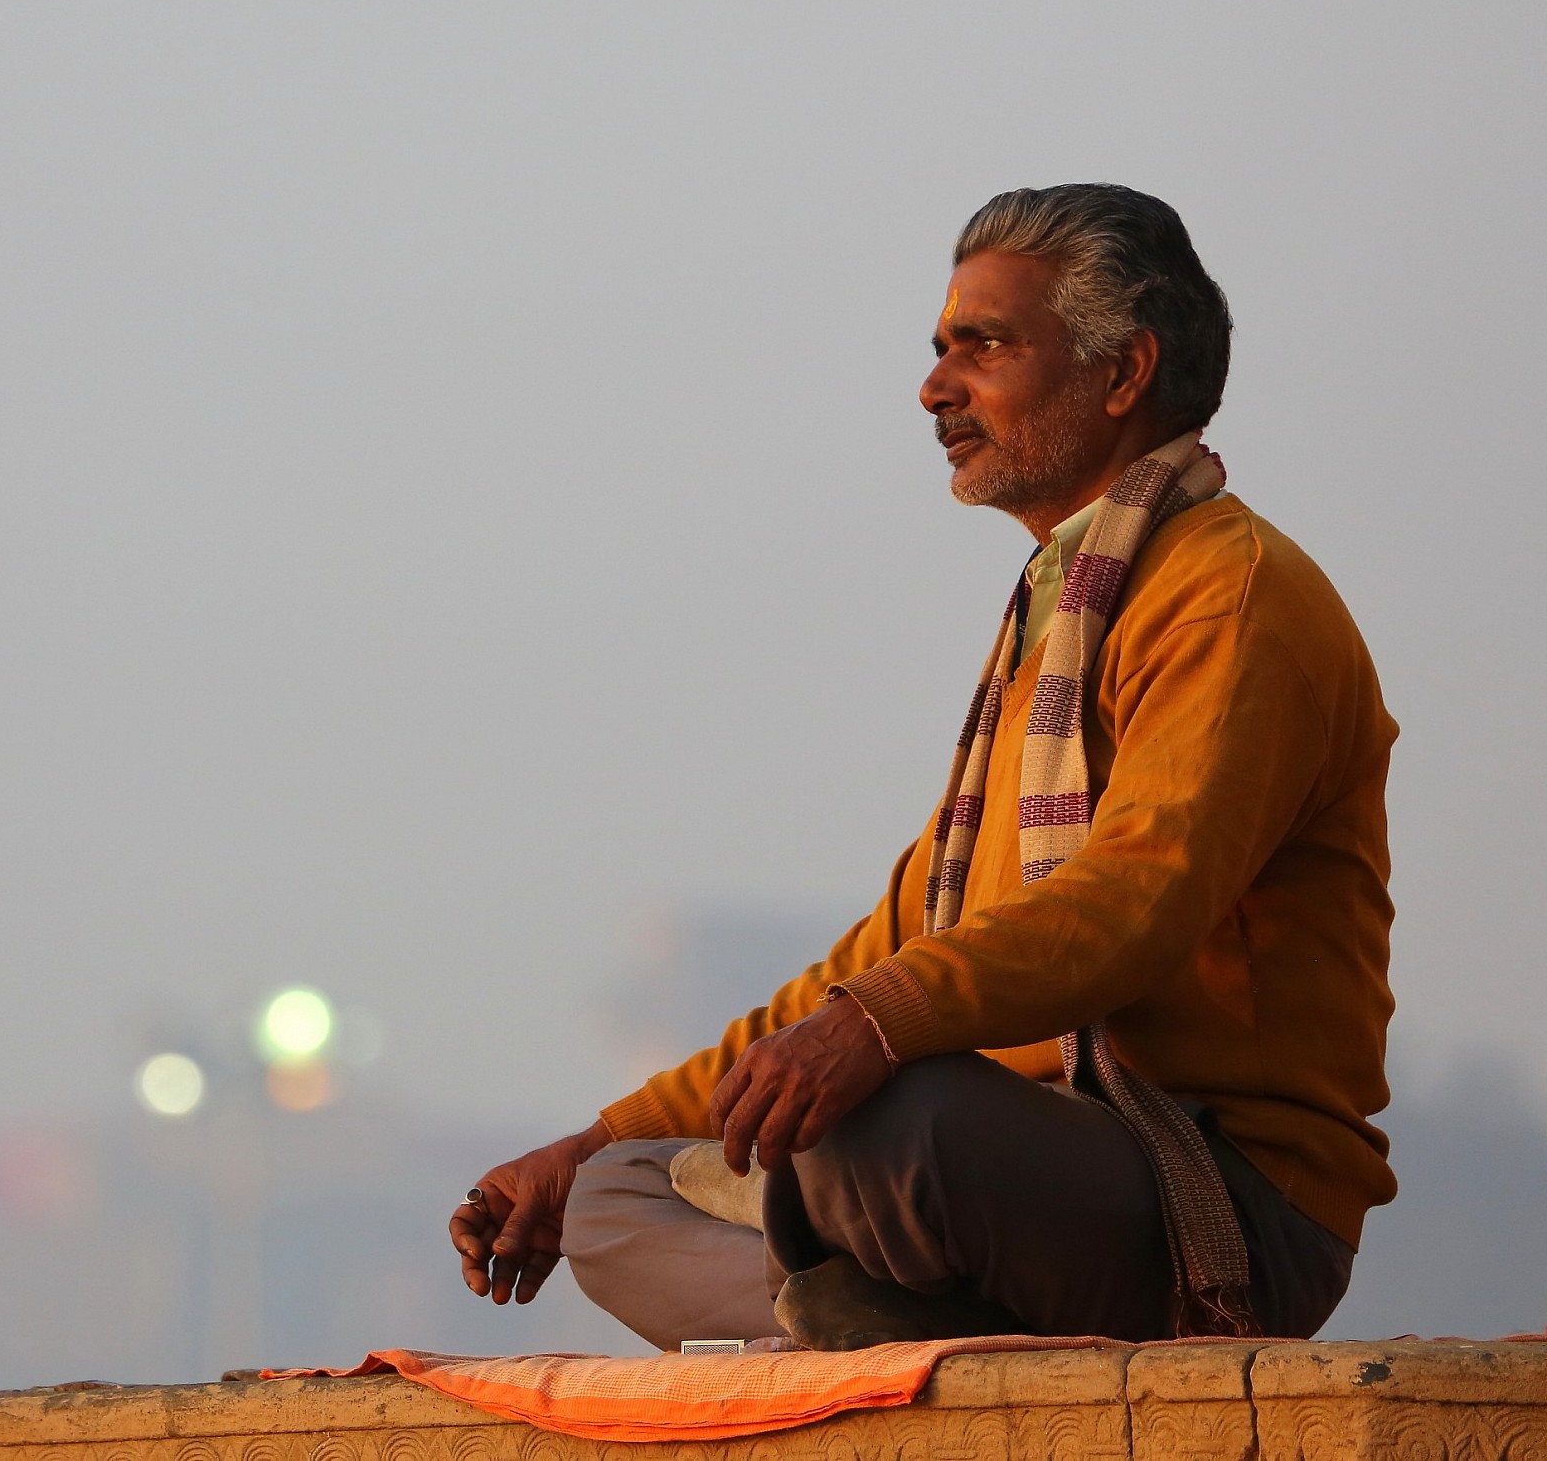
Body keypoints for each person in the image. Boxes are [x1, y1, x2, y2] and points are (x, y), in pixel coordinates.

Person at [448, 185, 1393, 1350]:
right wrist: (588, 1143)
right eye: (942, 349)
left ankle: (858, 1303)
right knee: (614, 1202)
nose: (936, 387)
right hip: (1002, 1189)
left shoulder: (1233, 591)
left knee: (890, 1116)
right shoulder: (1052, 624)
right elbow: (882, 954)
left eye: (983, 346)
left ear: (1123, 371)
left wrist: (873, 1031)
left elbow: (1137, 902)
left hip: (1212, 1196)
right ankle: (879, 1310)